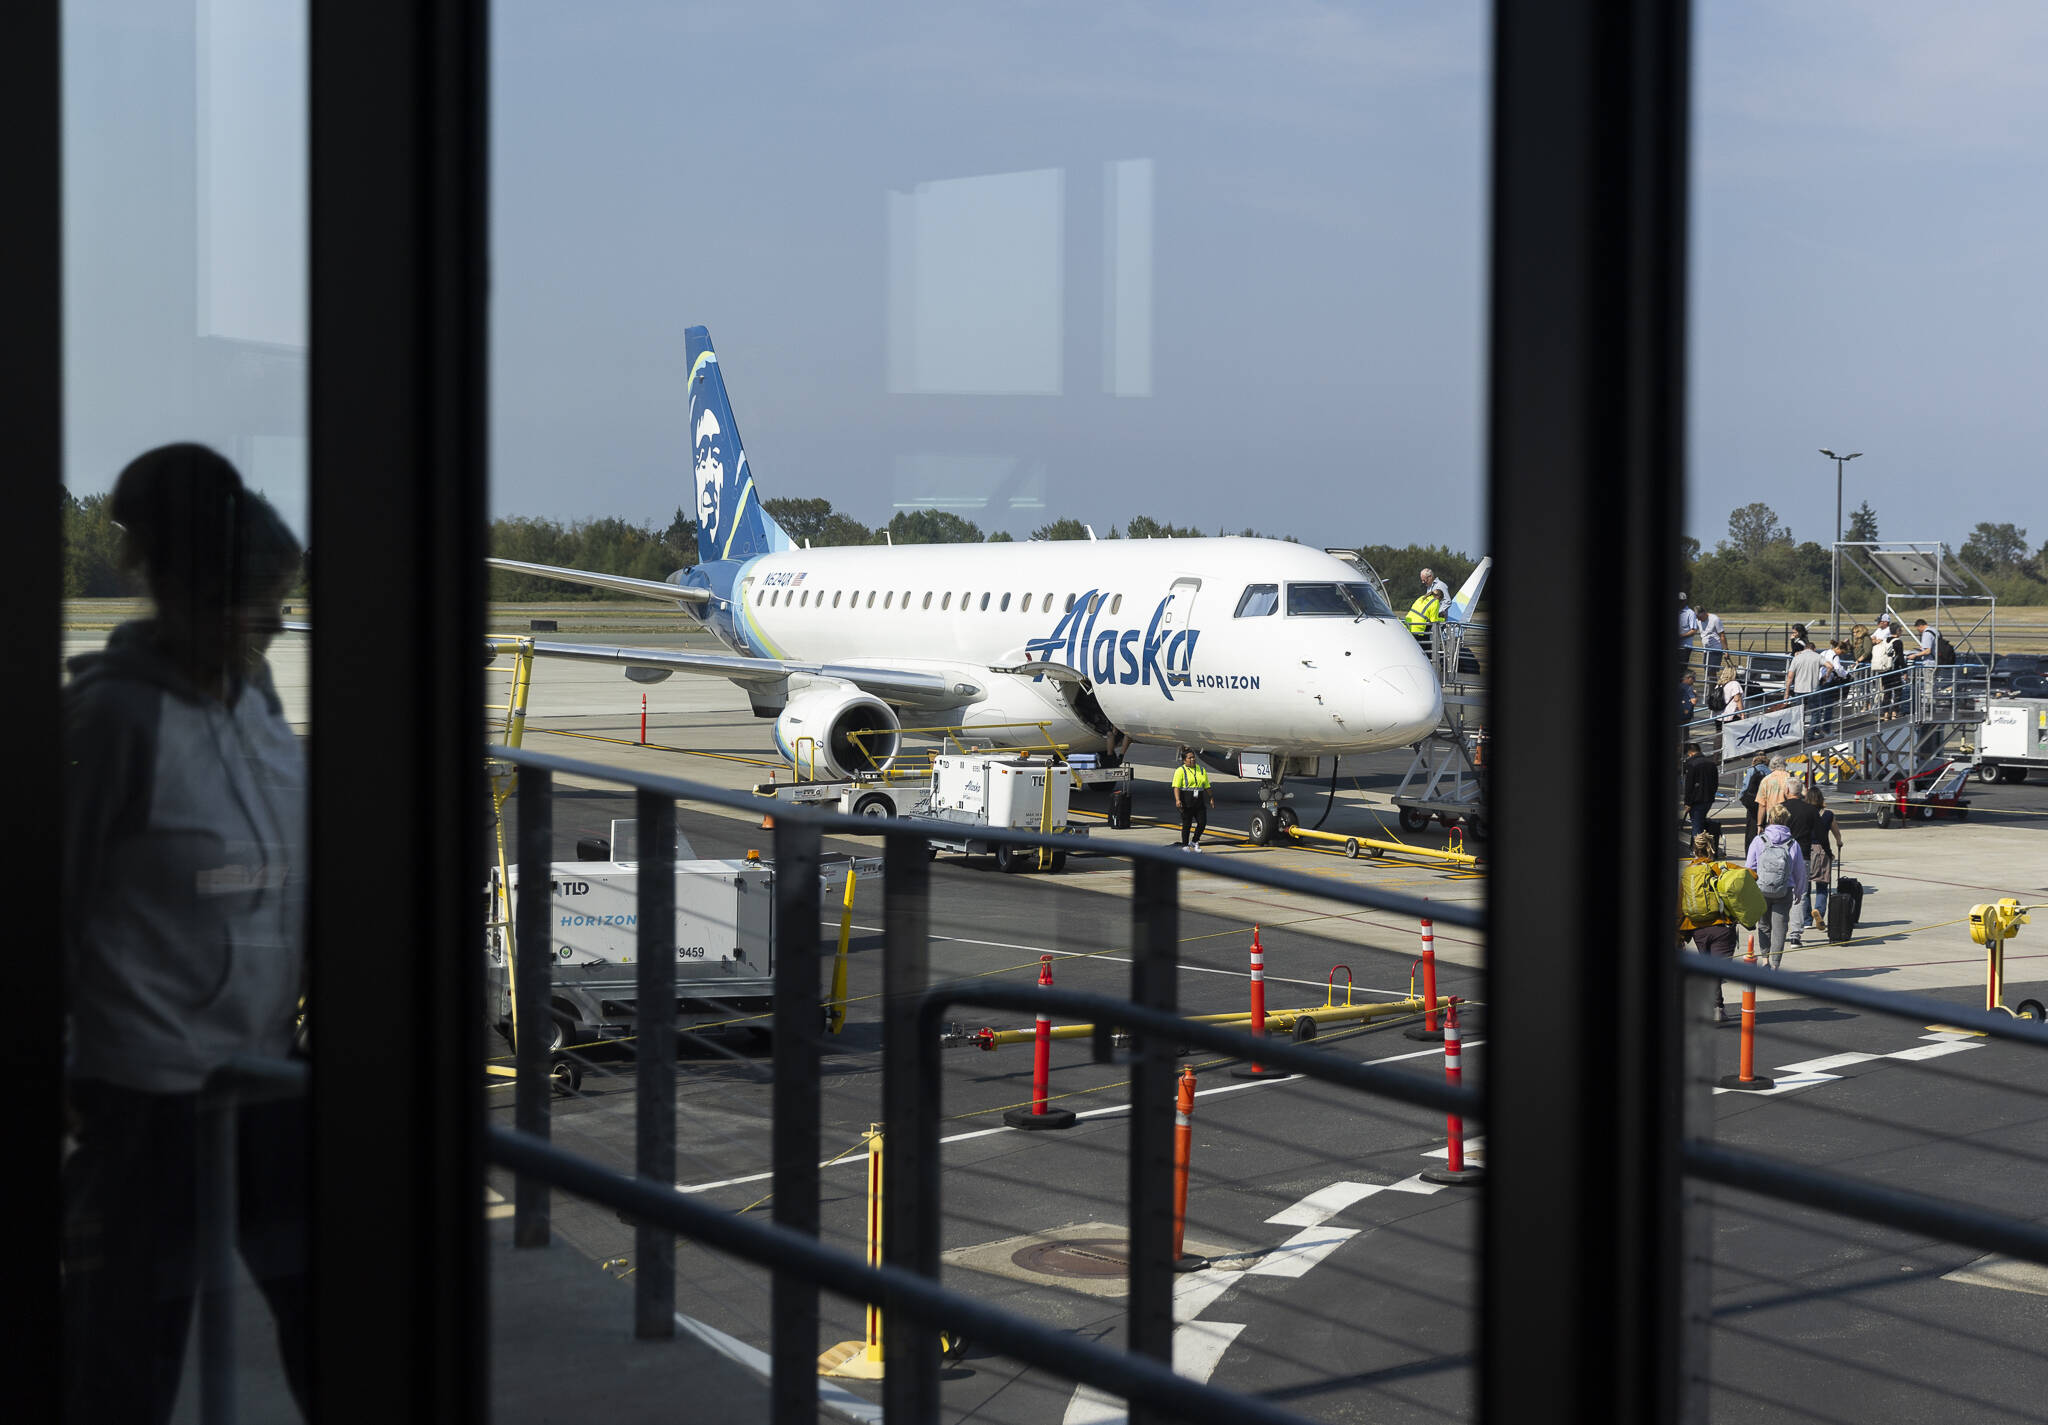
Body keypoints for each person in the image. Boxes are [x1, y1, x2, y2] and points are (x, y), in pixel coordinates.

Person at [63, 444, 310, 1422]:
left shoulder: (256, 702)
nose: (275, 623)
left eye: (282, 601)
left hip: (261, 1078)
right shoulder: (112, 722)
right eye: (255, 602)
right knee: (121, 1359)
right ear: (181, 595)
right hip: (146, 1101)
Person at [1679, 831, 1745, 1023]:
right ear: (1713, 848)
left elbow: (1680, 905)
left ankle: (1716, 1006)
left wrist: (1680, 934)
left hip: (1697, 928)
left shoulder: (1688, 873)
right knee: (1718, 970)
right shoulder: (1721, 867)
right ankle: (1716, 1007)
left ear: (1693, 849)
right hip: (1721, 927)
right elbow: (1751, 875)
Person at [1746, 806, 1809, 970]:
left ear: (1770, 819)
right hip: (1784, 890)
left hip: (1762, 890)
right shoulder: (1793, 844)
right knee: (1780, 929)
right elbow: (1799, 871)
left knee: (1764, 926)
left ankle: (1765, 959)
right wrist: (1799, 891)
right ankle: (1775, 965)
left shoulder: (1759, 840)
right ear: (1786, 821)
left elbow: (1749, 867)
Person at [1801, 784, 1844, 934]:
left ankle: (1806, 920)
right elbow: (1836, 832)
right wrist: (1838, 842)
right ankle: (1818, 911)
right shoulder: (1828, 814)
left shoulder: (1804, 813)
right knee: (1822, 886)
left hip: (1805, 850)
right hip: (1821, 851)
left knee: (1805, 888)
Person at [1172, 747, 1212, 851]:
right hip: (1186, 801)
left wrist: (1211, 797)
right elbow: (1176, 786)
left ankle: (1194, 841)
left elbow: (1207, 786)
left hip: (1199, 801)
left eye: (1193, 757)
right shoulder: (1180, 771)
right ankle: (1185, 845)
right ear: (1184, 760)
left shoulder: (1201, 770)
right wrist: (1177, 800)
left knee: (1202, 823)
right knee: (1187, 824)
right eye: (1190, 758)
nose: (1193, 759)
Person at [1682, 741, 1718, 841]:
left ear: (1691, 753)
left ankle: (1699, 852)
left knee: (1696, 826)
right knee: (1701, 823)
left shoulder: (1691, 764)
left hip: (1696, 800)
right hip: (1708, 799)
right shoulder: (1711, 763)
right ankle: (1701, 848)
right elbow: (1715, 783)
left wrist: (1687, 802)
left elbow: (1689, 786)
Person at [1755, 753, 1798, 828]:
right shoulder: (1791, 778)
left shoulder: (1766, 780)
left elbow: (1762, 805)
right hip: (1789, 816)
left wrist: (1759, 824)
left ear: (1771, 765)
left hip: (1772, 817)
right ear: (1784, 764)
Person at [1738, 752, 1769, 845]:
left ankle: (1751, 847)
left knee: (1751, 827)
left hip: (1752, 801)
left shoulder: (1752, 770)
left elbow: (1745, 786)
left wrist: (1742, 798)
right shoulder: (1769, 771)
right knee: (1763, 824)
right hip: (1764, 801)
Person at [1700, 609, 1725, 685]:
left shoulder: (1715, 619)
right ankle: (1711, 690)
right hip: (1706, 650)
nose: (1698, 619)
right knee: (1708, 671)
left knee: (1712, 672)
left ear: (1704, 613)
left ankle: (1713, 691)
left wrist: (1726, 650)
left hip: (1715, 650)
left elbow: (1722, 635)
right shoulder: (1698, 620)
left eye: (1699, 617)